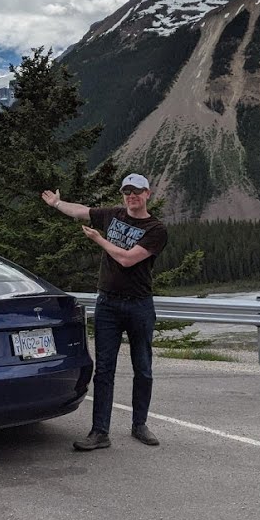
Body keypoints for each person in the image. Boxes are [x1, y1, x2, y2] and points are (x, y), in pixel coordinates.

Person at [41, 173, 168, 451]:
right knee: (104, 370)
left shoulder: (155, 229)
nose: (131, 196)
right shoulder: (112, 214)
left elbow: (126, 258)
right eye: (126, 191)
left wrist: (99, 240)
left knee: (143, 368)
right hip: (108, 304)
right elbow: (81, 211)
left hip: (139, 304)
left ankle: (139, 425)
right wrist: (57, 204)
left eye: (137, 191)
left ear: (148, 194)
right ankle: (100, 432)